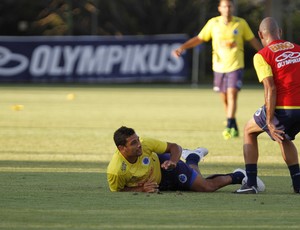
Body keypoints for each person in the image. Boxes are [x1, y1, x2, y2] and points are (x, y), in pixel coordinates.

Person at [173, 0, 262, 140]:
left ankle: (228, 125)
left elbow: (253, 40)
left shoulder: (241, 23)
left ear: (232, 8)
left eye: (229, 6)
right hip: (219, 66)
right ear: (220, 8)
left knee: (232, 94)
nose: (227, 9)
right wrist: (183, 47)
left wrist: (266, 53)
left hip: (236, 65)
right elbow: (199, 38)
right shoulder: (213, 23)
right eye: (224, 6)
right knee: (225, 97)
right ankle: (232, 123)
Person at [235, 17, 300, 194]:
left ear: (260, 35)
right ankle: (298, 183)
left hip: (285, 108)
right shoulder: (298, 49)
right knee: (283, 136)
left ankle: (251, 183)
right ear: (280, 32)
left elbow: (270, 87)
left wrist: (269, 120)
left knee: (249, 130)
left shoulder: (262, 55)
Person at [107, 126, 265, 193]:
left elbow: (175, 147)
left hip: (166, 168)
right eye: (133, 143)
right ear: (122, 149)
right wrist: (141, 189)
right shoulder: (115, 170)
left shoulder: (146, 144)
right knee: (194, 182)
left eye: (137, 139)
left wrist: (174, 162)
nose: (139, 145)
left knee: (205, 187)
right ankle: (193, 158)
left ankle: (239, 176)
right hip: (160, 185)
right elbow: (119, 190)